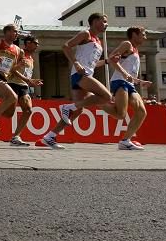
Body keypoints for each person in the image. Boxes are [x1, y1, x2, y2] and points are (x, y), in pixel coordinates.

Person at [39, 13, 125, 149]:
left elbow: (93, 64)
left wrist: (108, 61)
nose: (106, 24)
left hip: (86, 73)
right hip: (80, 75)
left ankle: (49, 137)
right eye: (104, 21)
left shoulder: (99, 41)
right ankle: (68, 107)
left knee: (78, 110)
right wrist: (76, 63)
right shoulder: (86, 34)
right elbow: (65, 46)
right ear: (95, 21)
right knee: (107, 96)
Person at [108, 26, 152, 150]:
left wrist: (140, 81)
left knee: (142, 111)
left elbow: (130, 72)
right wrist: (124, 74)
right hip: (119, 81)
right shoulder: (127, 44)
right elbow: (112, 58)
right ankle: (98, 101)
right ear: (134, 34)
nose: (145, 37)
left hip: (130, 83)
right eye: (143, 34)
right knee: (121, 114)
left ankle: (125, 141)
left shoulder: (136, 50)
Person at [0, 35, 43, 146]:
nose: (37, 45)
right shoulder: (19, 53)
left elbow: (26, 73)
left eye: (38, 43)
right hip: (12, 84)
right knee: (9, 113)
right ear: (28, 43)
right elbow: (11, 69)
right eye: (35, 43)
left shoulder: (31, 58)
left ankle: (16, 137)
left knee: (28, 110)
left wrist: (31, 81)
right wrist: (28, 80)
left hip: (24, 86)